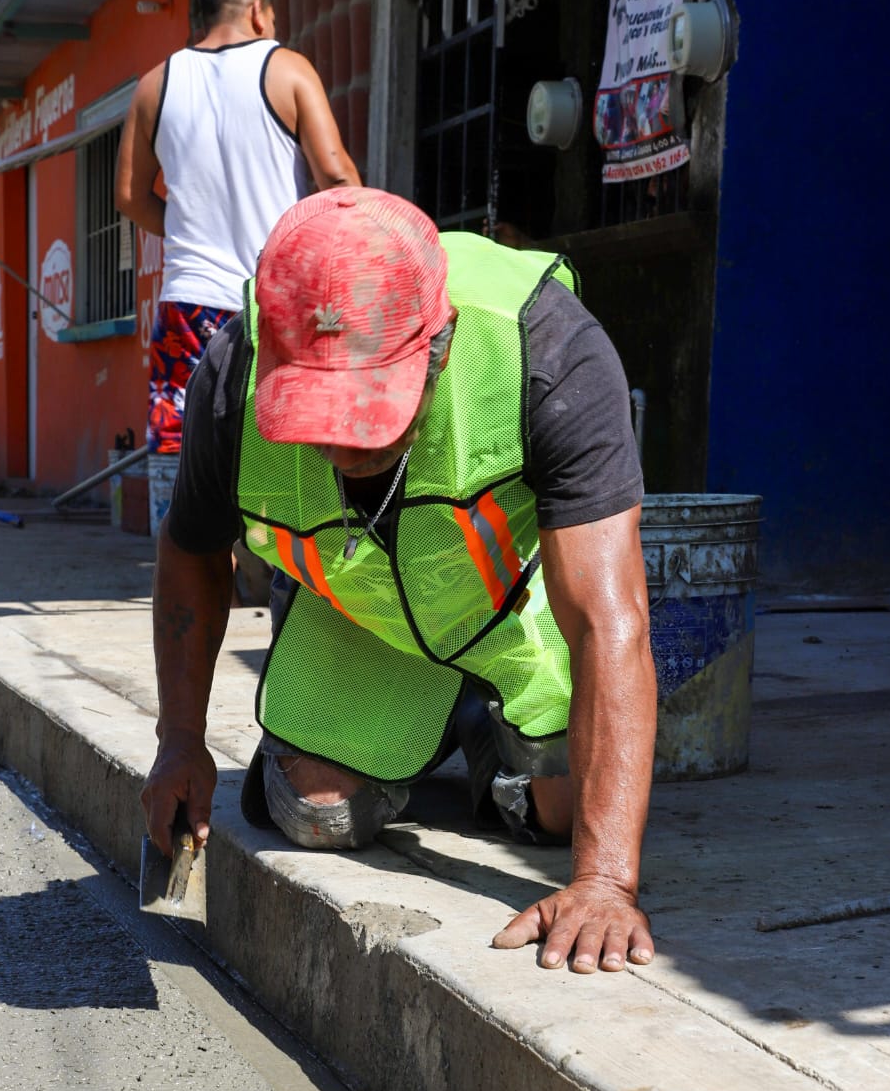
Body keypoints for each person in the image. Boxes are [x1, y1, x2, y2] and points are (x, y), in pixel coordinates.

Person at [141, 188, 657, 976]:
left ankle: (485, 727)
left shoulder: (546, 348)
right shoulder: (234, 368)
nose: (345, 445)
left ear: (439, 342)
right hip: (365, 616)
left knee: (563, 817)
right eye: (322, 411)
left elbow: (609, 621)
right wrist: (179, 739)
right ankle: (424, 716)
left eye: (368, 408)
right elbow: (190, 553)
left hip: (510, 611)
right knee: (317, 816)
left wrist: (604, 880)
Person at [115, 0, 360, 457]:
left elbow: (128, 197)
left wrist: (187, 226)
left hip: (188, 305)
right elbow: (337, 177)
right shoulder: (286, 68)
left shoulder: (153, 87)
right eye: (272, 18)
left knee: (189, 468)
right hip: (278, 302)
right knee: (285, 463)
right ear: (256, 11)